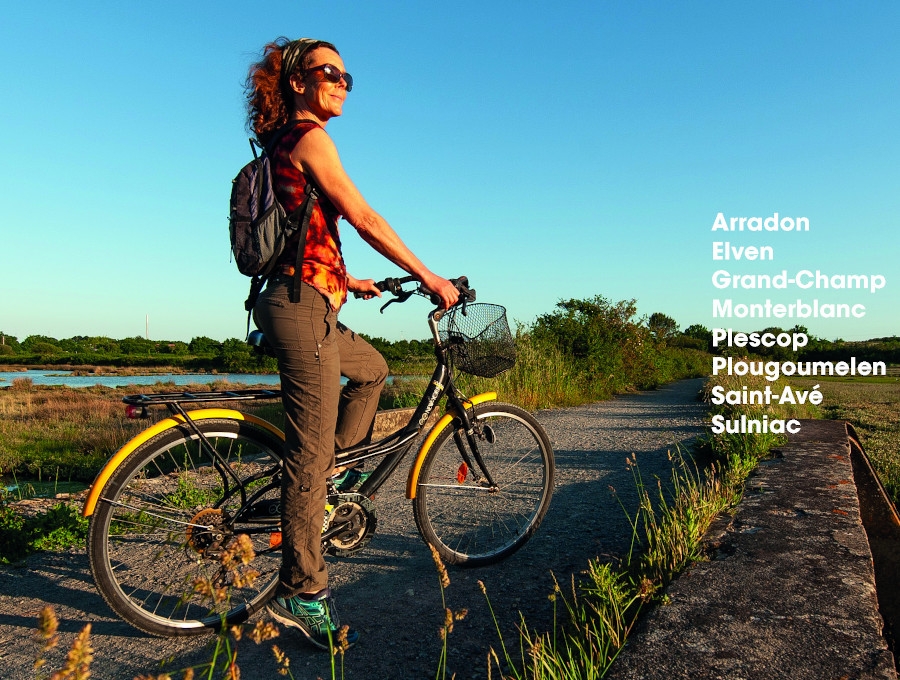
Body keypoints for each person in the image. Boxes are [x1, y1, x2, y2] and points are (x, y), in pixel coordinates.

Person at [244, 37, 459, 650]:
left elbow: (303, 230)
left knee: (373, 372)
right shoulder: (309, 137)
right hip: (301, 309)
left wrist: (350, 280)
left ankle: (324, 497)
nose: (341, 81)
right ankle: (301, 592)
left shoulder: (283, 142)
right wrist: (428, 275)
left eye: (346, 75)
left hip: (309, 295)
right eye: (327, 72)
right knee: (308, 454)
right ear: (296, 83)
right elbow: (363, 218)